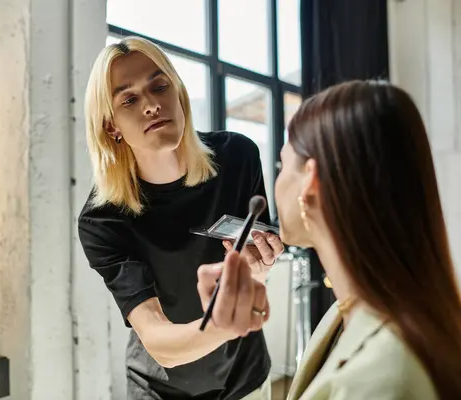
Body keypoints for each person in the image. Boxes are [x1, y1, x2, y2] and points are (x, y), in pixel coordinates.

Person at [197, 80, 461, 399]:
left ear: (310, 180)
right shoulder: (348, 312)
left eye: (282, 165)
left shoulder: (382, 378)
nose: (276, 182)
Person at [78, 36, 284, 400]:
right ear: (111, 126)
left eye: (160, 86)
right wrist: (226, 324)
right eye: (129, 99)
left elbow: (252, 266)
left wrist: (258, 271)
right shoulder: (103, 219)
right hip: (161, 387)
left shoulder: (238, 157)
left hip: (245, 375)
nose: (152, 105)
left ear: (178, 93)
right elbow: (157, 340)